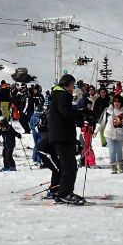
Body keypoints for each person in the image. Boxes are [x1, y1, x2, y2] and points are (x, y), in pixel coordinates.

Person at [46, 74, 84, 204]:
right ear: (67, 84)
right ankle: (64, 193)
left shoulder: (58, 94)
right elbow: (65, 112)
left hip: (61, 135)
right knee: (69, 166)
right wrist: (80, 115)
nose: (74, 88)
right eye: (73, 85)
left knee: (69, 165)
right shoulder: (62, 95)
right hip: (62, 136)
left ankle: (64, 192)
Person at [100, 95, 123, 173]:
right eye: (115, 101)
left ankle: (120, 165)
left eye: (118, 101)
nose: (116, 103)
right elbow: (102, 122)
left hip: (120, 133)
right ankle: (113, 166)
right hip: (109, 133)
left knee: (119, 150)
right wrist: (96, 131)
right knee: (112, 150)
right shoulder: (108, 110)